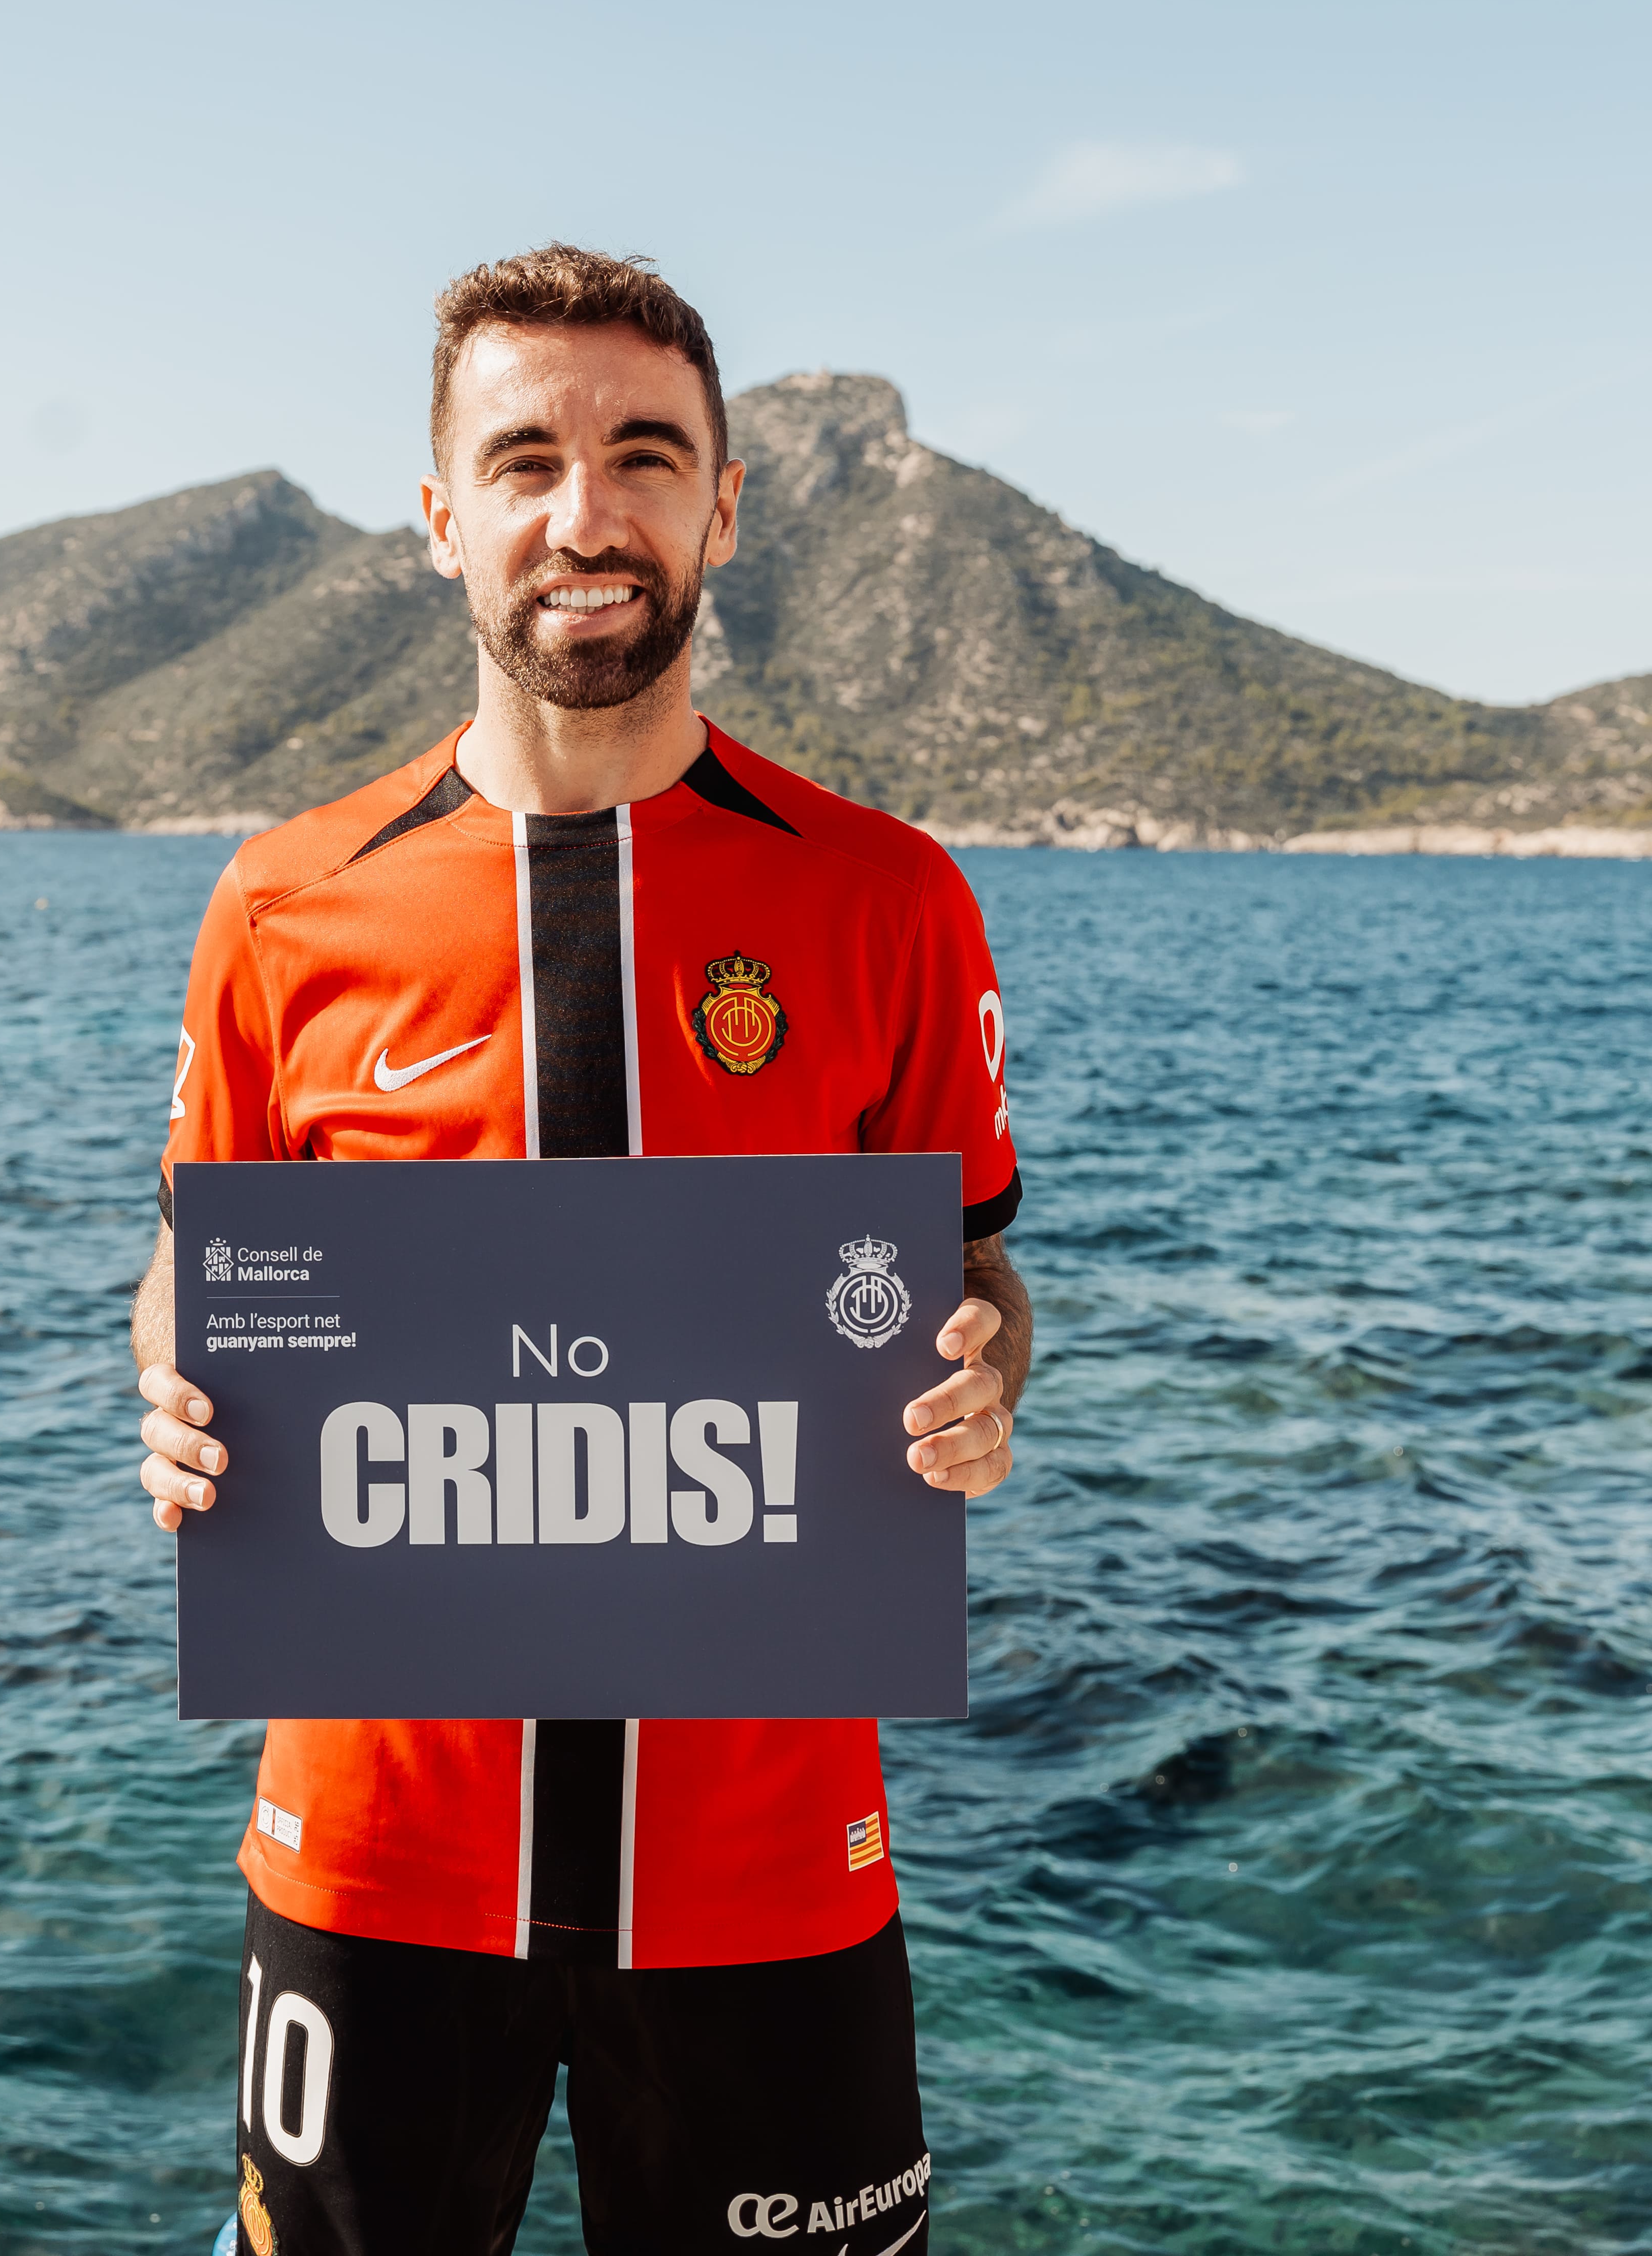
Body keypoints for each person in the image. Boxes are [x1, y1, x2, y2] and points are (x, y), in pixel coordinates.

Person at [133, 244, 1030, 2256]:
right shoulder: (285, 906)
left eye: (646, 456)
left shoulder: (889, 901)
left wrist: (982, 1383)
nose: (587, 512)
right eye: (525, 458)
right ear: (441, 514)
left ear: (725, 507)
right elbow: (197, 1263)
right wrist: (174, 1383)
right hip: (374, 1853)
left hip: (770, 1873)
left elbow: (974, 1272)